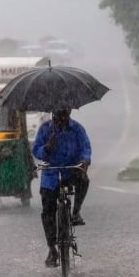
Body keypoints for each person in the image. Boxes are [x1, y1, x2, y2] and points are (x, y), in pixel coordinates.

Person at [32, 108, 91, 268]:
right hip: (51, 174)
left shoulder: (77, 129)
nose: (61, 118)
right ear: (53, 114)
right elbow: (36, 150)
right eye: (58, 114)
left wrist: (85, 160)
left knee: (84, 181)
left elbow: (86, 148)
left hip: (71, 170)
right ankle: (52, 248)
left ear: (69, 112)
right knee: (47, 211)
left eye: (64, 114)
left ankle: (76, 212)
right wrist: (47, 148)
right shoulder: (45, 129)